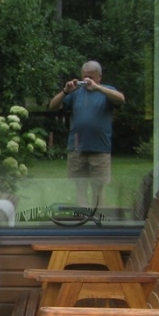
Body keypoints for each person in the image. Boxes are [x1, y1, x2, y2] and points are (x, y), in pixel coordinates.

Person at [49, 60, 125, 208]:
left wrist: (98, 88)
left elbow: (121, 99)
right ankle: (83, 219)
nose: (87, 79)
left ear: (99, 77)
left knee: (98, 189)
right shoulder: (75, 92)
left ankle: (98, 219)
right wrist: (65, 91)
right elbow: (53, 106)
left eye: (91, 76)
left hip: (100, 149)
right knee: (80, 187)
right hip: (77, 149)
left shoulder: (106, 91)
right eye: (85, 76)